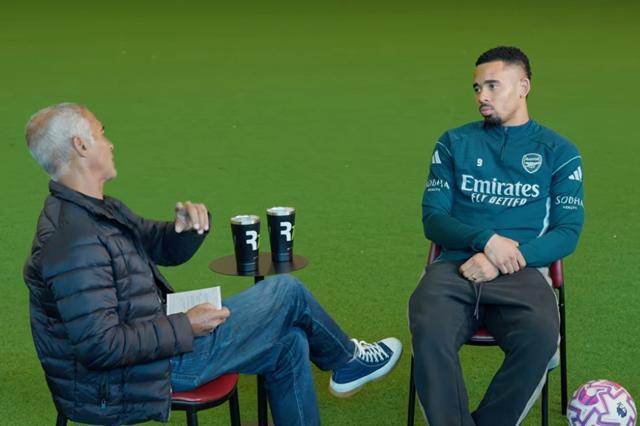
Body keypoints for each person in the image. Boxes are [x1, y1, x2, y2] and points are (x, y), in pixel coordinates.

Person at [23, 103, 402, 426]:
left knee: (290, 342)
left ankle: (346, 362)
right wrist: (185, 326)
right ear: (81, 145)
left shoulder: (97, 209)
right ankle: (347, 360)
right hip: (130, 378)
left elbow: (159, 245)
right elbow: (101, 346)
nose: (110, 143)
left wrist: (184, 230)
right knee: (286, 291)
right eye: (102, 134)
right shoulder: (72, 241)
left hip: (151, 349)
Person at [409, 46, 584, 425]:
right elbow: (433, 219)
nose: (481, 97)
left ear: (523, 87)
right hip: (454, 268)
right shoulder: (453, 142)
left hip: (523, 273)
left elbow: (567, 233)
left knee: (540, 337)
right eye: (477, 88)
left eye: (492, 85)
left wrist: (504, 259)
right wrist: (487, 241)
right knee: (429, 328)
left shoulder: (560, 152)